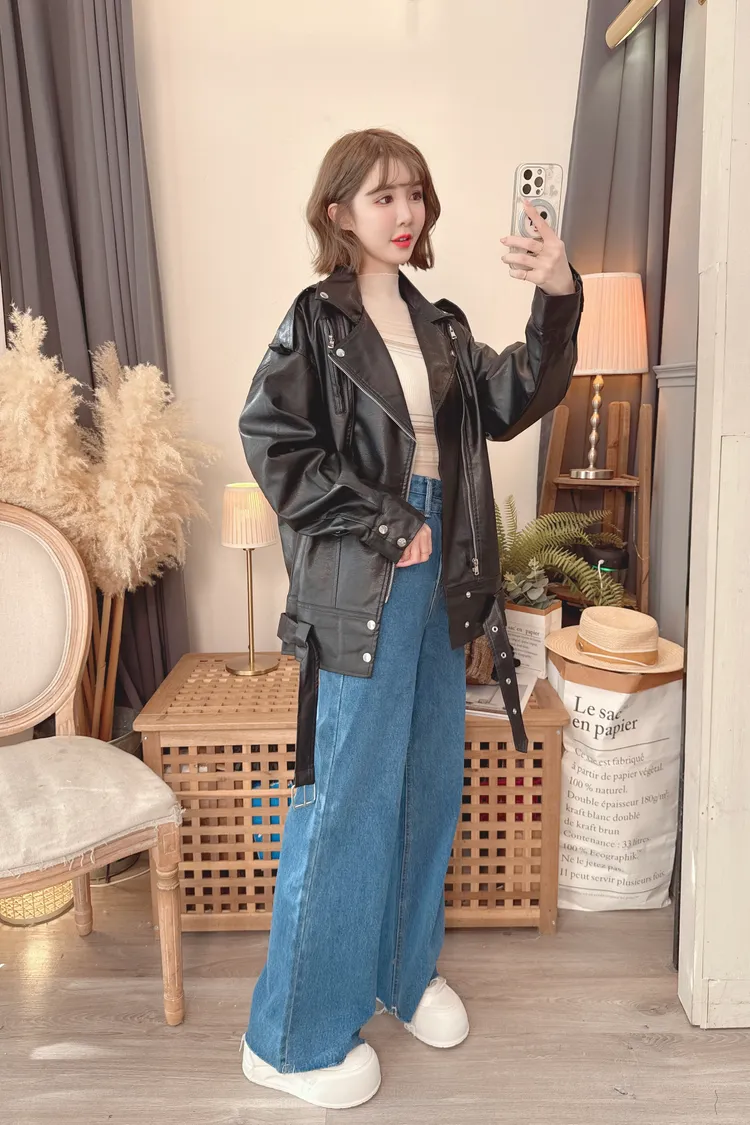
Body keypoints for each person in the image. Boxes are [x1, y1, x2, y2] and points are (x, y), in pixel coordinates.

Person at [237, 128, 583, 1110]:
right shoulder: (317, 322)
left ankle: (400, 972)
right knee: (346, 800)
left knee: (428, 785)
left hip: (446, 577)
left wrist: (557, 291)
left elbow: (517, 396)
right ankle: (289, 1037)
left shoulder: (442, 328)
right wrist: (387, 522)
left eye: (415, 194)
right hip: (367, 575)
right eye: (383, 195)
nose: (405, 212)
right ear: (339, 211)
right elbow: (274, 441)